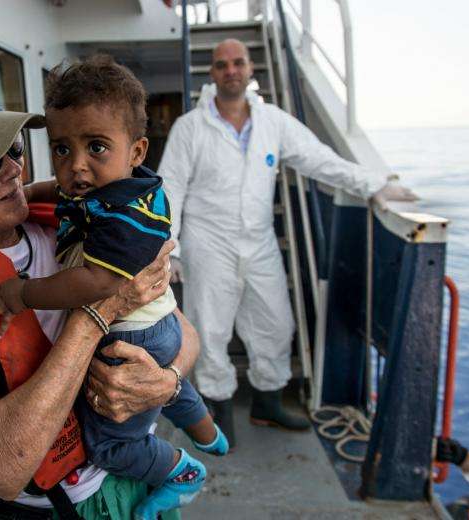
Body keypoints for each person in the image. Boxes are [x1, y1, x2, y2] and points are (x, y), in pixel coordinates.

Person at [0, 80, 200, 519]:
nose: (12, 170)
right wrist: (100, 308)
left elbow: (185, 335)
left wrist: (167, 383)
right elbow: (3, 467)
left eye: (13, 148)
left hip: (133, 474)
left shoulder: (78, 222)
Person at [0, 56, 228, 520]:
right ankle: (207, 432)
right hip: (160, 322)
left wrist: (20, 293)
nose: (77, 167)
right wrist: (25, 196)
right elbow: (59, 189)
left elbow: (96, 284)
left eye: (96, 147)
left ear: (138, 150)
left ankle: (180, 471)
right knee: (169, 380)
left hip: (131, 333)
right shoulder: (105, 186)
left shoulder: (124, 213)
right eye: (62, 149)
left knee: (108, 446)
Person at [158, 38, 418, 447]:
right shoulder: (190, 127)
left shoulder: (273, 122)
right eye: (222, 64)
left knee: (277, 326)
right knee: (210, 331)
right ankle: (219, 410)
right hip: (209, 243)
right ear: (213, 73)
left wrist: (376, 185)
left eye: (238, 63)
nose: (231, 70)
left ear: (249, 70)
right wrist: (169, 246)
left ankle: (267, 403)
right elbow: (170, 186)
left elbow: (319, 159)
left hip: (258, 243)